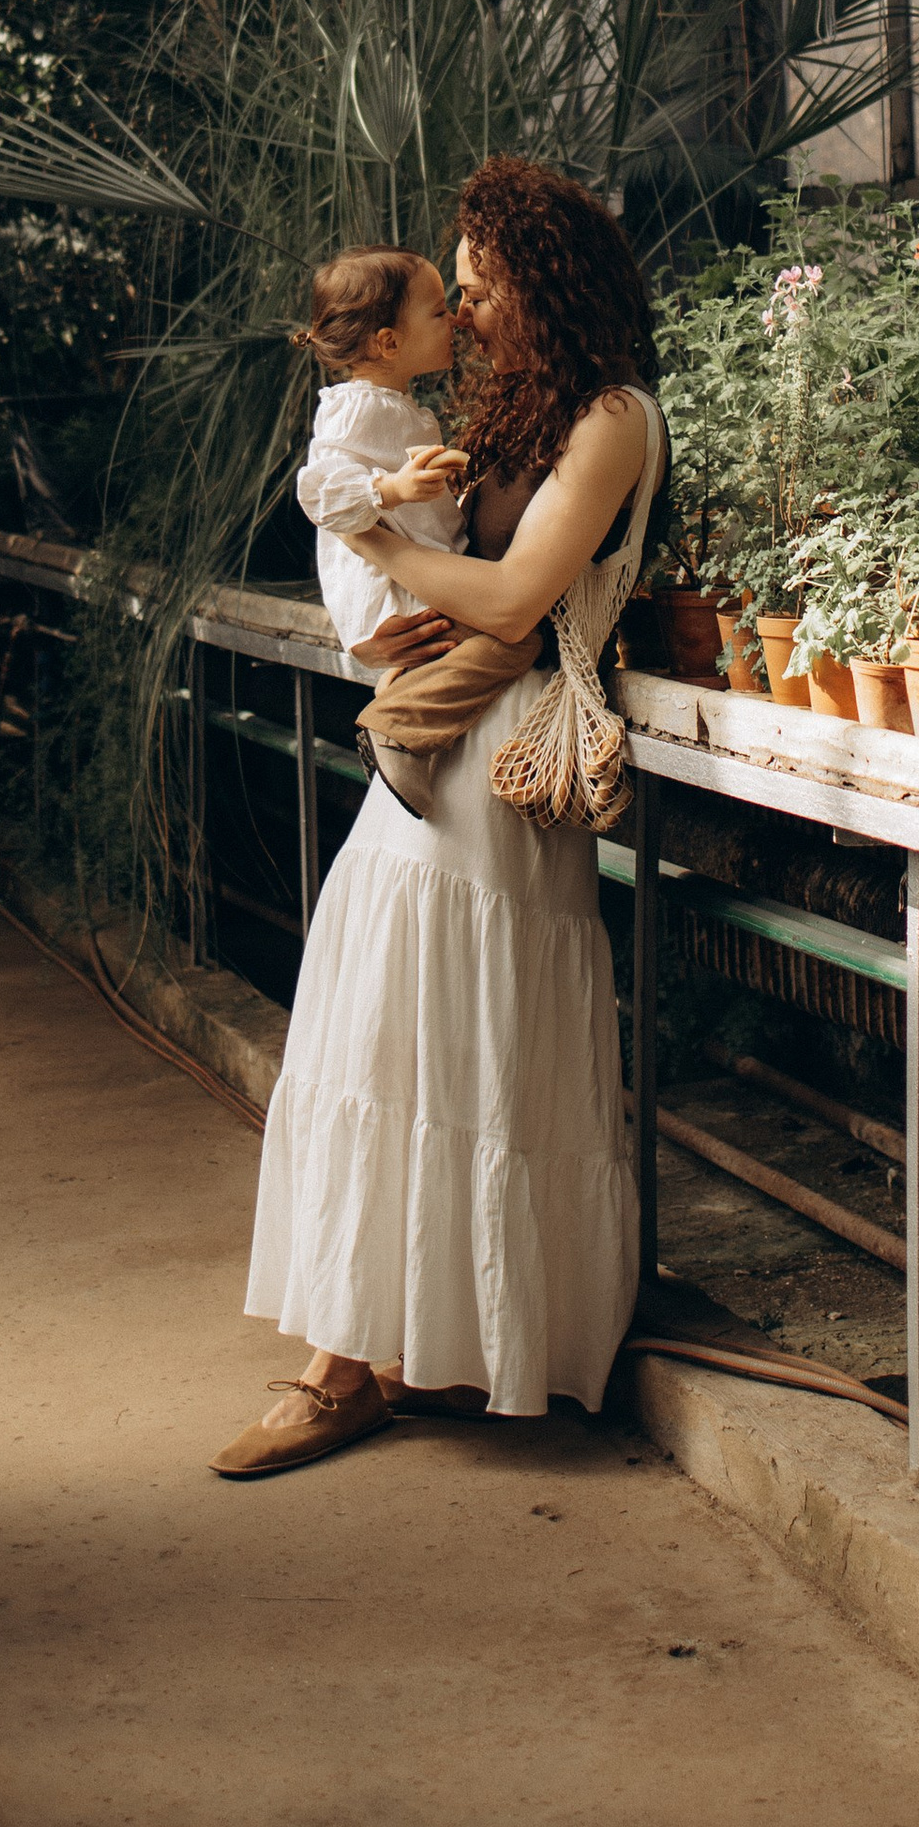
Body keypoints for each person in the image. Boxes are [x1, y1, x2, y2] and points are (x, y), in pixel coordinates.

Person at [219, 157, 663, 1479]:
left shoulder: (614, 420)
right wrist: (414, 555)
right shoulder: (519, 414)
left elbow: (519, 600)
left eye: (478, 288)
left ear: (542, 280)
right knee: (381, 1041)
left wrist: (373, 541)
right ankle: (352, 1357)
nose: (463, 316)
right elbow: (469, 591)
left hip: (508, 773)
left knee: (448, 1048)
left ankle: (349, 1374)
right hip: (439, 752)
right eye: (456, 296)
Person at [290, 244, 542, 821]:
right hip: (391, 591)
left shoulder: (392, 404)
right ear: (388, 343)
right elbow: (318, 491)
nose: (456, 317)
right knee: (518, 642)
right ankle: (398, 729)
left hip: (408, 581)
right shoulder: (356, 407)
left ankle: (400, 702)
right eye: (437, 310)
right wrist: (390, 491)